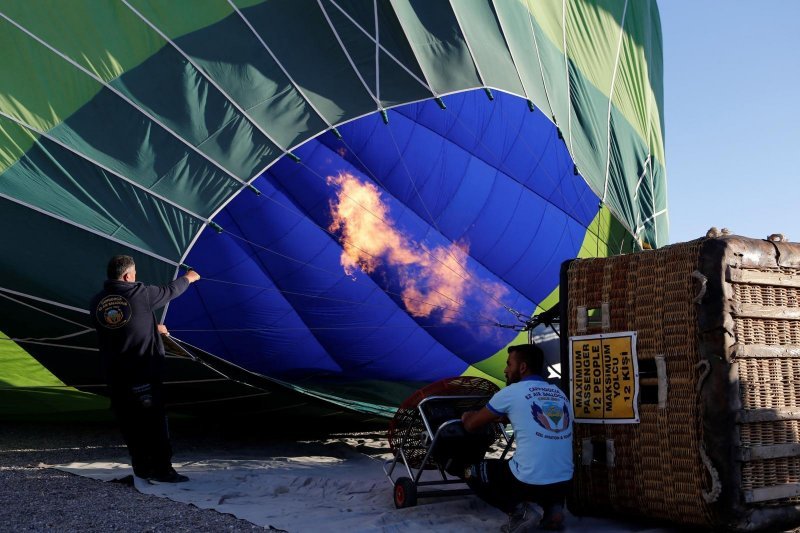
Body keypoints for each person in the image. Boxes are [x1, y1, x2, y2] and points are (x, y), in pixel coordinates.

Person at [90, 255, 200, 483]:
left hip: (116, 375)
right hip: (143, 372)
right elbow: (171, 290)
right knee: (155, 423)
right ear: (128, 276)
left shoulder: (98, 303)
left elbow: (121, 327)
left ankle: (142, 468)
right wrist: (190, 277)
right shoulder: (139, 294)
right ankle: (163, 470)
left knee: (130, 423)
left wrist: (151, 327)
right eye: (135, 274)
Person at [461, 344, 573, 532]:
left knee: (471, 471)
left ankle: (520, 514)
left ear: (522, 367)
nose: (505, 370)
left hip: (530, 482)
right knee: (543, 464)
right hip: (564, 482)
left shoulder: (510, 393)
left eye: (509, 364)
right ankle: (554, 510)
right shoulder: (559, 393)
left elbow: (472, 425)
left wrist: (466, 417)